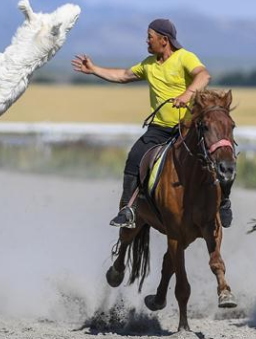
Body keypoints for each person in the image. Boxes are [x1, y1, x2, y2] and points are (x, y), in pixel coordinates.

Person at [71, 19, 234, 228]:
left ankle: (224, 201)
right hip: (159, 129)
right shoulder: (149, 64)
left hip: (187, 130)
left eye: (150, 36)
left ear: (164, 40)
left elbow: (204, 75)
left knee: (221, 154)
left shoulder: (185, 57)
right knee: (135, 157)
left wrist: (187, 94)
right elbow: (122, 75)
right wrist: (94, 69)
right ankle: (128, 210)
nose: (146, 41)